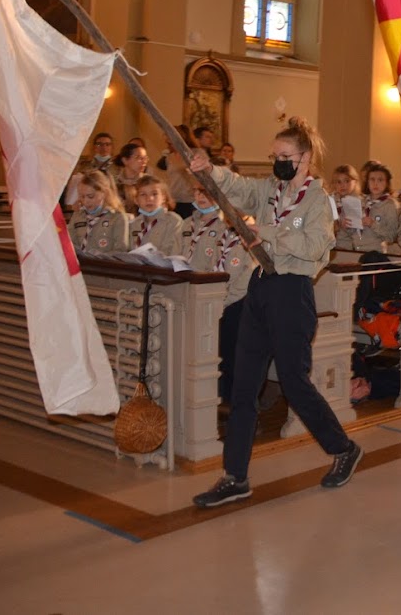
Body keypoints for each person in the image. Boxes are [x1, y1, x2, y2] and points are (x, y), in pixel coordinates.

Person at [190, 116, 362, 508]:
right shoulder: (269, 188)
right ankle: (235, 476)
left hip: (293, 292)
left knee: (294, 383)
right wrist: (209, 168)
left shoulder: (320, 201)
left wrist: (263, 232)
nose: (278, 162)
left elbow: (315, 246)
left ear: (305, 157)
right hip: (261, 287)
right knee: (243, 387)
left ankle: (343, 448)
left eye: (285, 155)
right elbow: (236, 186)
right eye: (274, 155)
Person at [181, 183, 256, 398]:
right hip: (213, 301)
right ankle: (213, 397)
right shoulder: (221, 231)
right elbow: (211, 263)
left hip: (236, 303)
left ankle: (234, 401)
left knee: (230, 354)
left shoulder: (250, 233)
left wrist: (222, 303)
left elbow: (245, 279)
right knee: (208, 353)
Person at [68, 170, 130, 254]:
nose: (85, 201)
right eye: (82, 196)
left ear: (104, 193)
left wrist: (98, 257)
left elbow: (120, 250)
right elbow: (70, 244)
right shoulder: (78, 216)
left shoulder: (117, 217)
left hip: (104, 265)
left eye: (91, 196)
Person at [130, 175, 184, 255]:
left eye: (154, 194)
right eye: (143, 194)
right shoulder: (134, 224)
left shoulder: (173, 221)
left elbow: (174, 253)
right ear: (136, 200)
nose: (149, 198)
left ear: (163, 198)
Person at [113, 142, 149, 211]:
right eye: (139, 158)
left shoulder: (148, 182)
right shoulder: (113, 181)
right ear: (125, 160)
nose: (144, 162)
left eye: (145, 158)